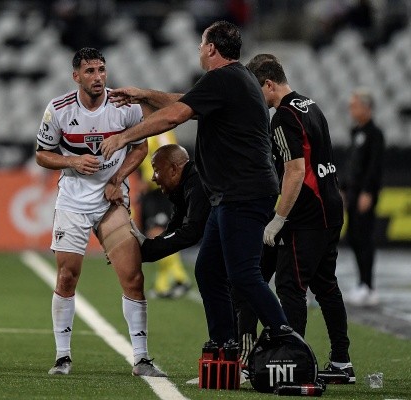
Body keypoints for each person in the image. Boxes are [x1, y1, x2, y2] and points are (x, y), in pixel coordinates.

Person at [101, 21, 290, 351]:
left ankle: (286, 339)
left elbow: (175, 115)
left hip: (243, 193)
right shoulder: (234, 79)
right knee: (207, 271)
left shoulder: (224, 78)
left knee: (243, 275)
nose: (199, 51)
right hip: (231, 194)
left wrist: (123, 137)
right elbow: (185, 100)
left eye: (201, 45)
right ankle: (225, 345)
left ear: (212, 49)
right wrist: (146, 94)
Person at [35, 47, 166, 377]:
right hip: (73, 204)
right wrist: (72, 161)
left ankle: (142, 358)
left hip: (111, 202)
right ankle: (62, 357)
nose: (98, 77)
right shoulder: (59, 109)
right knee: (67, 277)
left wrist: (119, 178)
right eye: (90, 71)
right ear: (76, 76)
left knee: (133, 277)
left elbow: (140, 146)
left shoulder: (124, 106)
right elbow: (42, 154)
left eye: (102, 70)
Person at [246, 54, 355, 382]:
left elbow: (295, 171)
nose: (256, 98)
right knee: (326, 286)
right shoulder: (312, 105)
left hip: (307, 214)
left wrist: (279, 218)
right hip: (331, 208)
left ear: (268, 84)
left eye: (257, 90)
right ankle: (341, 362)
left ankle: (294, 364)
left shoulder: (282, 117)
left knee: (291, 287)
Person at [131, 144, 209, 296]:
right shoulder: (181, 190)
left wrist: (146, 250)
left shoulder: (196, 185)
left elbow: (192, 231)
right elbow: (175, 229)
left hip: (157, 194)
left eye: (157, 171)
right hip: (156, 192)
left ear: (173, 169)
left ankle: (179, 278)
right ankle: (165, 281)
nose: (154, 176)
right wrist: (146, 250)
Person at [341, 87, 385, 307]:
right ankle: (362, 283)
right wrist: (343, 187)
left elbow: (374, 167)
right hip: (353, 192)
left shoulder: (375, 134)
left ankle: (368, 285)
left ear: (366, 108)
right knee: (354, 237)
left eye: (355, 105)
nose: (351, 109)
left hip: (364, 194)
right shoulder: (355, 132)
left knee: (364, 238)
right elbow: (352, 165)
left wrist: (367, 191)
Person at [136, 134, 193, 299]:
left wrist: (150, 180)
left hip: (160, 190)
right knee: (156, 235)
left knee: (157, 233)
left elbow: (172, 158)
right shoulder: (151, 129)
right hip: (152, 189)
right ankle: (162, 284)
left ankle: (180, 278)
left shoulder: (161, 133)